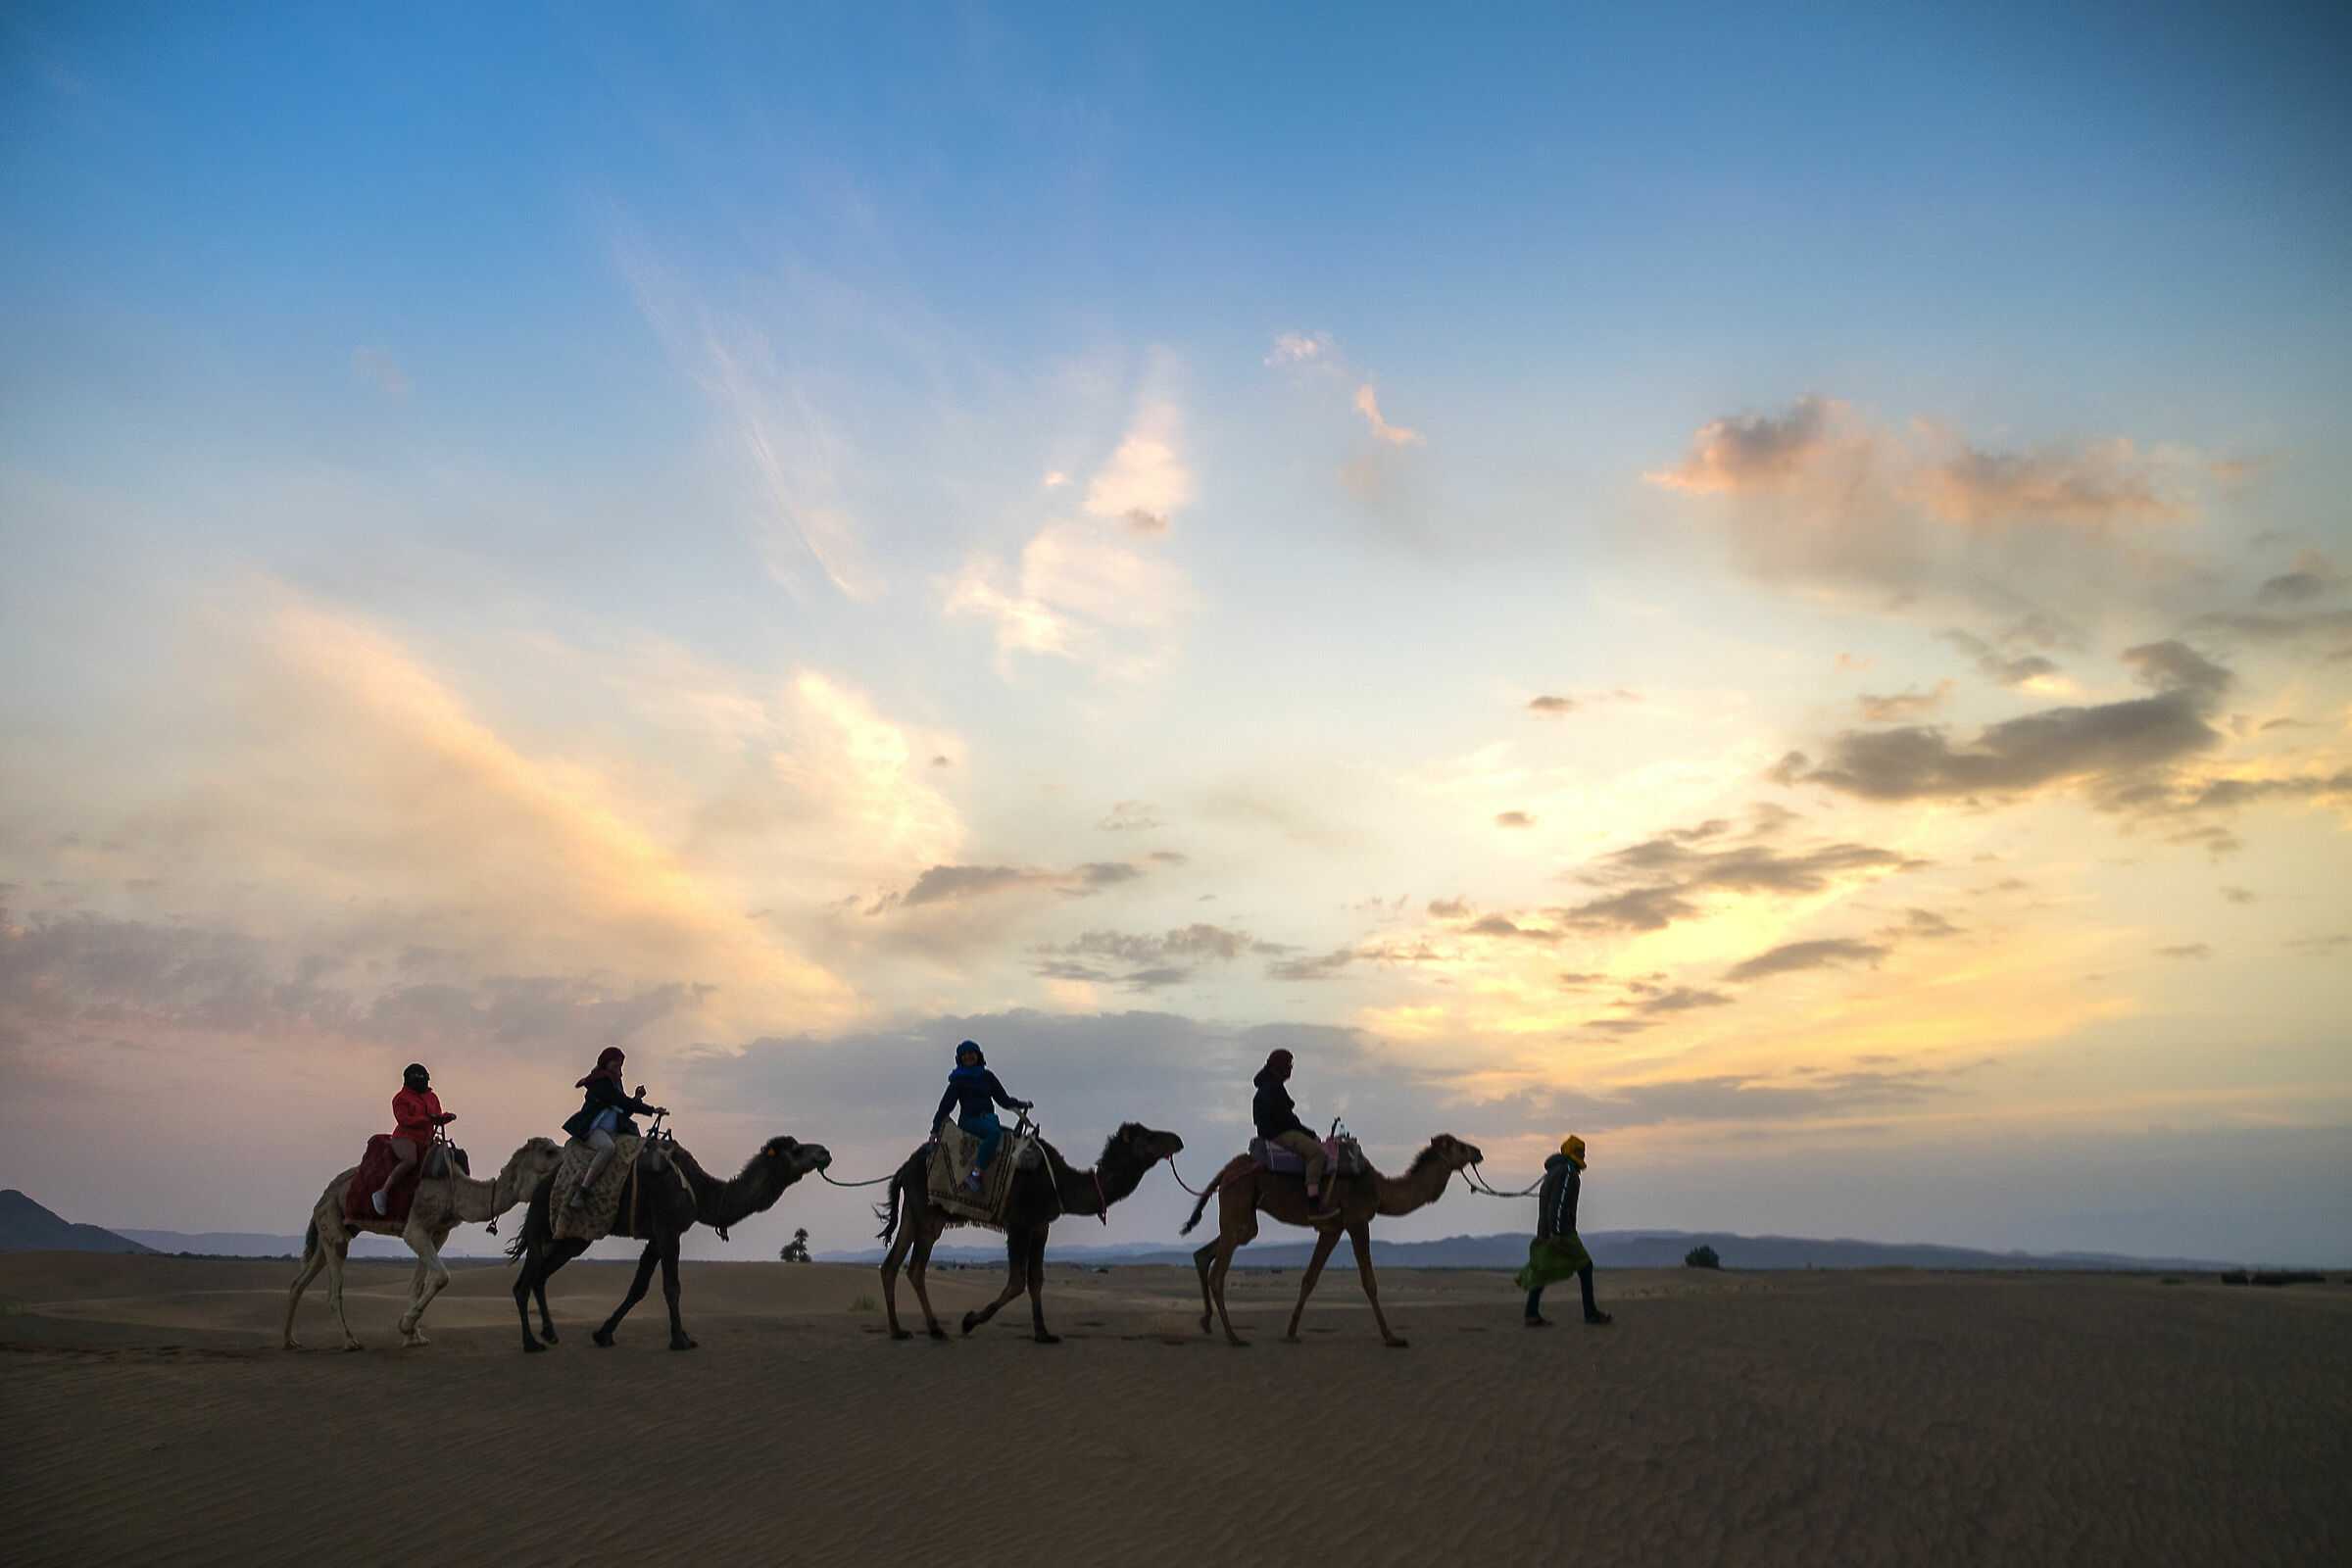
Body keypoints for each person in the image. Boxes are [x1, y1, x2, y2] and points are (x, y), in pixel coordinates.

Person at [1516, 1135, 1610, 1326]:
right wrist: (1556, 1231)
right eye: (1578, 1151)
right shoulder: (1567, 1171)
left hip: (1549, 1229)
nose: (1582, 1154)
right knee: (1585, 1265)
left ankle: (1531, 1313)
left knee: (1543, 1268)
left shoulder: (1556, 1170)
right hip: (1562, 1231)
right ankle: (1590, 1313)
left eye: (1583, 1151)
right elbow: (1557, 1203)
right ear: (1569, 1151)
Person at [562, 1048, 665, 1209]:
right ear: (606, 1062)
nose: (619, 1064)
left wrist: (637, 1099)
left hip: (614, 1130)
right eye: (615, 1060)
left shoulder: (615, 1082)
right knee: (607, 1147)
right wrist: (651, 1110)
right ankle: (583, 1189)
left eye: (621, 1061)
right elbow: (619, 1101)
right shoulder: (600, 1081)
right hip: (594, 1129)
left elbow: (623, 1110)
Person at [932, 1041, 1031, 1191]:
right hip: (970, 1121)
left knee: (1012, 1138)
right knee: (994, 1134)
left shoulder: (987, 1077)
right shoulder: (958, 1080)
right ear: (959, 1058)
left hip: (989, 1120)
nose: (968, 1057)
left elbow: (1003, 1100)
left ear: (978, 1055)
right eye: (964, 1054)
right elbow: (945, 1107)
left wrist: (1022, 1104)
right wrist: (934, 1130)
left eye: (971, 1053)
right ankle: (975, 1173)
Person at [1253, 1048, 1339, 1219]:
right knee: (1316, 1153)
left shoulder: (1268, 1085)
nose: (1291, 1068)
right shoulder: (1273, 1088)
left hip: (1273, 1130)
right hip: (1278, 1133)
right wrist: (1310, 1134)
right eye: (1289, 1065)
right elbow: (1287, 1119)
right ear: (1281, 1067)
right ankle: (1314, 1202)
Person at [372, 1062, 455, 1215]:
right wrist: (427, 1119)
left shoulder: (432, 1097)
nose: (419, 1078)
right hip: (405, 1137)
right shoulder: (400, 1098)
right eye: (415, 1076)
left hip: (428, 1139)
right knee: (410, 1160)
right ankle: (383, 1192)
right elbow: (404, 1120)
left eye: (421, 1075)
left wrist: (446, 1118)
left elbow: (436, 1117)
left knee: (447, 1158)